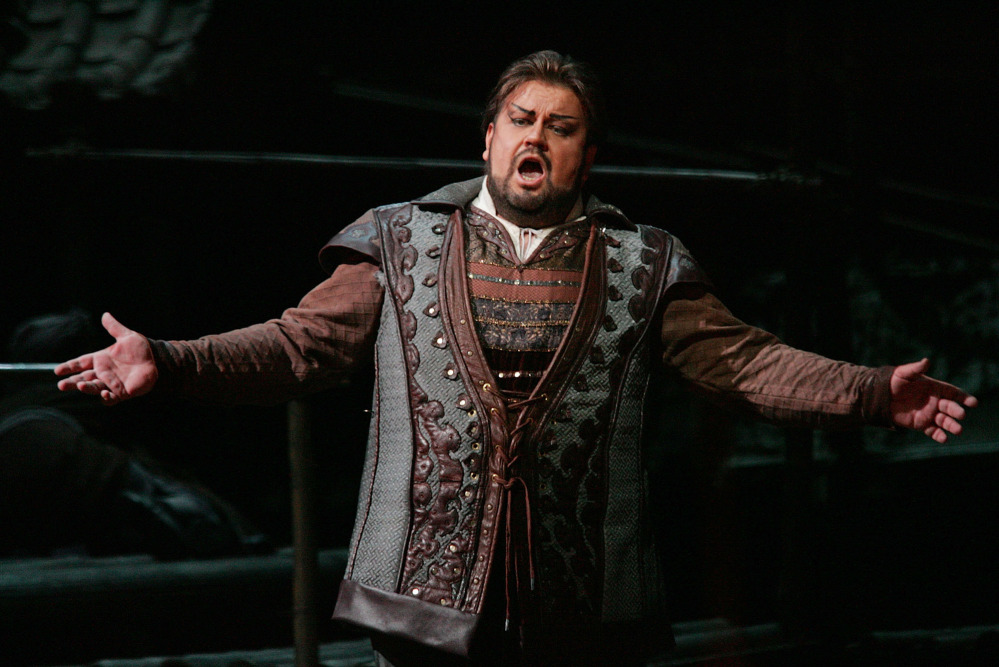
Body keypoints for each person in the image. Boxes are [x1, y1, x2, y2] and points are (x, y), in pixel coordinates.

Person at [54, 51, 977, 666]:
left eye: (561, 126)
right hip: (422, 592)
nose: (536, 137)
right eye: (521, 119)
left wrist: (868, 391)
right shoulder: (398, 241)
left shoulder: (644, 262)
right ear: (489, 137)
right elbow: (300, 345)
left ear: (587, 152)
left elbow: (745, 364)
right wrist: (168, 360)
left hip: (581, 603)